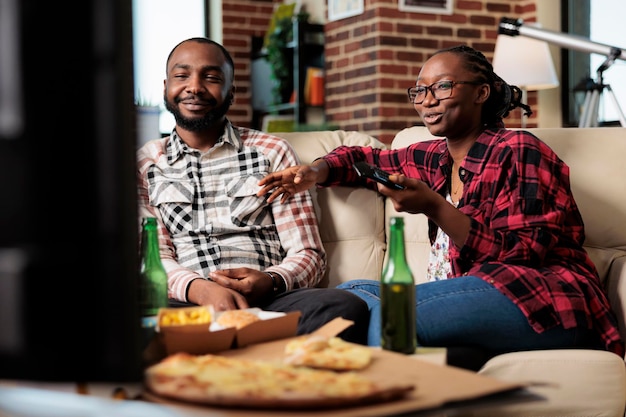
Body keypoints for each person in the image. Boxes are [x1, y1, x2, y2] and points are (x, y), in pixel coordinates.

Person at [258, 44, 624, 362]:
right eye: (419, 90)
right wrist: (315, 172)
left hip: (543, 299)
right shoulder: (434, 156)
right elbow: (361, 161)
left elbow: (521, 255)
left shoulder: (520, 150)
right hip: (472, 297)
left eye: (442, 87)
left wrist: (435, 207)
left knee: (395, 317)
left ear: (481, 93)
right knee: (348, 293)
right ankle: (451, 356)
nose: (427, 100)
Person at [136, 37, 369, 344]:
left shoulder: (272, 152)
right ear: (166, 86)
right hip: (186, 304)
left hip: (270, 303)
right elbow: (154, 258)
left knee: (343, 307)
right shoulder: (147, 162)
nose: (194, 87)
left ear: (231, 90)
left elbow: (308, 253)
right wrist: (200, 288)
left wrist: (271, 282)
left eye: (211, 77)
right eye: (182, 76)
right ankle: (253, 349)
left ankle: (227, 347)